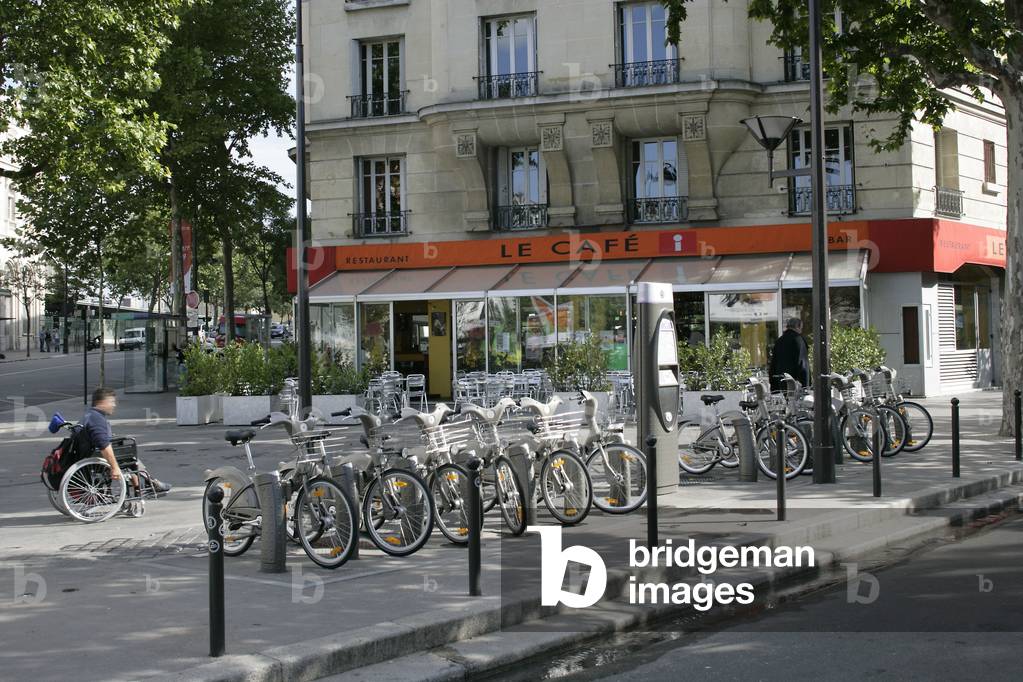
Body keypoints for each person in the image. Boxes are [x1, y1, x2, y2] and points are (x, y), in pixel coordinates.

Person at [80, 387, 171, 494]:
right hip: (96, 456)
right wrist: (115, 467)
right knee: (129, 455)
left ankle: (143, 485)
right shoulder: (97, 419)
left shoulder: (89, 415)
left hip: (88, 452)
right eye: (111, 402)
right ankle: (149, 483)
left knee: (127, 455)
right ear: (102, 402)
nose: (114, 405)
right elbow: (103, 445)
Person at [769, 318, 810, 392]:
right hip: (796, 385)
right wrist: (806, 386)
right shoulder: (799, 340)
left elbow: (773, 364)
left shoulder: (779, 341)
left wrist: (773, 385)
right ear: (797, 327)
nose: (801, 331)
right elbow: (803, 365)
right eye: (801, 328)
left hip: (780, 383)